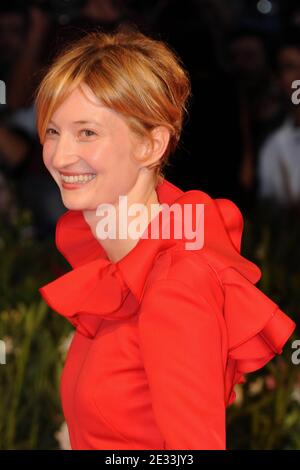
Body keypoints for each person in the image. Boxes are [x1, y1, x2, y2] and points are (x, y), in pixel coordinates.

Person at [36, 26, 296, 450]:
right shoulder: (118, 263)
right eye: (52, 131)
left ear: (151, 144)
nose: (61, 156)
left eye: (87, 132)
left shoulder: (175, 284)